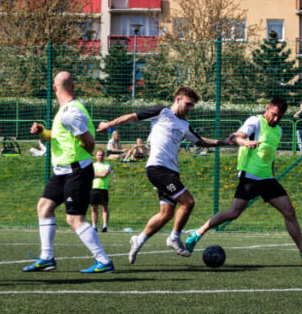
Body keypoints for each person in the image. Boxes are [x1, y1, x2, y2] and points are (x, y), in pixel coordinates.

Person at [96, 87, 257, 263]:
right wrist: (108, 125)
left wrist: (224, 142)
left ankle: (139, 239)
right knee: (188, 202)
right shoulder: (161, 112)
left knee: (166, 213)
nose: (189, 109)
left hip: (171, 172)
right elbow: (131, 117)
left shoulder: (185, 125)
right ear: (178, 99)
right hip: (157, 168)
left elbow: (201, 141)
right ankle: (174, 237)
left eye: (192, 106)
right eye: (188, 104)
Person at [184, 98, 302, 263]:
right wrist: (245, 141)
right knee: (233, 213)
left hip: (267, 178)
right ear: (267, 109)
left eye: (279, 116)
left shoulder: (278, 130)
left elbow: (270, 156)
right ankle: (197, 233)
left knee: (289, 212)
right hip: (250, 176)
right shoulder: (255, 122)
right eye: (273, 114)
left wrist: (273, 175)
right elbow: (235, 137)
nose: (275, 119)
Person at [22, 72, 113, 273]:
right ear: (73, 86)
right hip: (62, 171)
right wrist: (42, 133)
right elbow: (58, 137)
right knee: (44, 206)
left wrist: (84, 158)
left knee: (74, 219)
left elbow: (89, 142)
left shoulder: (70, 112)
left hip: (76, 171)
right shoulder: (65, 110)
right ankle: (46, 258)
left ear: (54, 89)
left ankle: (104, 261)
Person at [90, 149, 112, 232]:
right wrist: (99, 174)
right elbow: (90, 175)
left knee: (104, 208)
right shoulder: (93, 165)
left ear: (104, 156)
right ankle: (94, 226)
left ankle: (104, 226)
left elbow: (104, 174)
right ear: (96, 156)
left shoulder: (107, 165)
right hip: (93, 188)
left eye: (102, 155)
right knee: (93, 208)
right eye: (99, 155)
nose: (100, 156)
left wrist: (95, 174)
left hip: (103, 189)